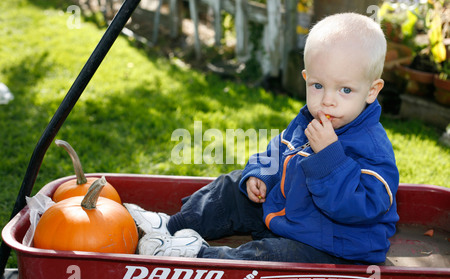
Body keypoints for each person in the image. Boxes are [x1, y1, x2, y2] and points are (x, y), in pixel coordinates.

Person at [125, 12, 399, 265]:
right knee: (232, 185)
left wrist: (329, 157)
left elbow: (362, 208)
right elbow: (278, 150)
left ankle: (198, 256)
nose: (327, 101)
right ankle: (171, 225)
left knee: (272, 256)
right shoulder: (308, 120)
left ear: (371, 91)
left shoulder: (372, 147)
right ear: (305, 79)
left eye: (345, 90)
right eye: (318, 85)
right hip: (287, 213)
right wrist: (260, 174)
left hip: (333, 244)